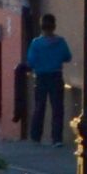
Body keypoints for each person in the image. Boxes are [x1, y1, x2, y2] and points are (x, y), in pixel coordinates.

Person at [24, 15, 72, 145]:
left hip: (41, 78)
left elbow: (31, 62)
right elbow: (67, 57)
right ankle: (57, 138)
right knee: (57, 108)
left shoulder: (36, 43)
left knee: (39, 107)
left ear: (41, 27)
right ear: (54, 26)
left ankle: (36, 136)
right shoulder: (61, 42)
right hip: (56, 76)